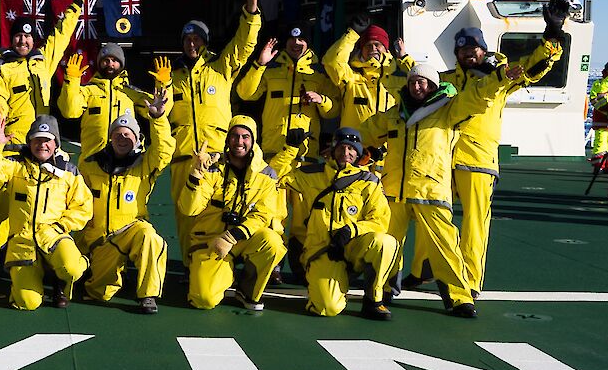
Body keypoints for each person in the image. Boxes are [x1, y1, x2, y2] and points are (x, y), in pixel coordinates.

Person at [361, 58, 507, 318]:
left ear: (433, 85)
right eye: (414, 82)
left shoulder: (448, 110)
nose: (418, 86)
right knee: (388, 243)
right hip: (394, 190)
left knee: (444, 246)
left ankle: (459, 297)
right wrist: (342, 141)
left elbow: (476, 96)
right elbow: (368, 130)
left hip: (431, 191)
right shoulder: (396, 114)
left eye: (423, 82)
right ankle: (381, 289)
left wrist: (499, 77)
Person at [438, 19, 564, 295]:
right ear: (456, 54)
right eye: (462, 50)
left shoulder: (501, 77)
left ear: (483, 50)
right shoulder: (446, 80)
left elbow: (533, 68)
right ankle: (434, 267)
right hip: (443, 159)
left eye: (474, 48)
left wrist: (552, 37)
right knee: (434, 218)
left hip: (478, 160)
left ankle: (469, 280)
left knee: (474, 224)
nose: (468, 53)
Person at [0, 0, 85, 268]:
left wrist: (75, 6)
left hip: (44, 148)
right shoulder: (1, 68)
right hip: (15, 148)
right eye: (18, 35)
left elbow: (61, 36)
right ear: (11, 39)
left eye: (27, 36)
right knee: (2, 209)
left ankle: (45, 262)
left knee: (45, 208)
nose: (23, 40)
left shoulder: (43, 61)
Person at [159, 0, 262, 238]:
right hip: (183, 157)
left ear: (205, 41)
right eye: (187, 39)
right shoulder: (171, 75)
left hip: (217, 155)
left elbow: (244, 44)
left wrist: (251, 7)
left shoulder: (220, 67)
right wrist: (162, 87)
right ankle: (188, 269)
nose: (192, 44)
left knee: (218, 210)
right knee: (185, 215)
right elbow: (160, 110)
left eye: (197, 39)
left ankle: (218, 265)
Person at [271, 127, 395, 320]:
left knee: (385, 242)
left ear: (359, 152)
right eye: (341, 148)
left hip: (353, 247)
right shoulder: (311, 174)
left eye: (351, 149)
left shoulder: (369, 182)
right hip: (323, 251)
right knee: (326, 308)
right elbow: (272, 177)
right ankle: (331, 281)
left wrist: (351, 230)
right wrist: (290, 149)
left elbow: (379, 221)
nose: (346, 153)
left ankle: (373, 300)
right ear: (332, 150)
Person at [0, 115, 94, 310]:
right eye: (37, 139)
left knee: (72, 268)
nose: (42, 145)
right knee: (27, 302)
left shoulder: (68, 172)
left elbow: (83, 206)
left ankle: (62, 282)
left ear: (56, 143)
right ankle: (38, 275)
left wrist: (61, 226)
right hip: (22, 241)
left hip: (53, 237)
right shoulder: (16, 166)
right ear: (30, 142)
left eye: (47, 140)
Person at [76, 89, 174, 313]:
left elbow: (164, 150)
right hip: (99, 239)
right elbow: (76, 201)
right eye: (118, 134)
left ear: (138, 139)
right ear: (110, 137)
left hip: (130, 229)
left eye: (128, 135)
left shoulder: (144, 164)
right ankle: (111, 270)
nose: (122, 139)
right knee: (100, 293)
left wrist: (158, 119)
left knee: (151, 237)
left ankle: (148, 294)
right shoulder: (90, 165)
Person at [176, 116, 287, 311]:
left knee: (273, 243)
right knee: (204, 300)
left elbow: (262, 215)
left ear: (253, 141)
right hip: (210, 240)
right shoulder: (211, 166)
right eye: (234, 136)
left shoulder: (266, 174)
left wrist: (232, 236)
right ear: (227, 139)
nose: (239, 142)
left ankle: (247, 290)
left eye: (245, 136)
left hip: (242, 238)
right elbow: (189, 209)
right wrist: (195, 175)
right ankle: (224, 273)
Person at [235, 24, 336, 158]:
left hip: (305, 153)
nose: (296, 43)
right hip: (273, 149)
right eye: (291, 39)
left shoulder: (318, 73)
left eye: (301, 39)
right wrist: (259, 64)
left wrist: (322, 100)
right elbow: (245, 94)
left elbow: (333, 111)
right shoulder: (271, 70)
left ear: (308, 43)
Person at [58, 45, 151, 156]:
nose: (110, 64)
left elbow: (158, 111)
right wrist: (71, 80)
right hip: (92, 160)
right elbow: (69, 111)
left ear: (121, 64)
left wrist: (164, 85)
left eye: (114, 60)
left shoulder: (130, 93)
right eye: (106, 60)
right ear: (99, 63)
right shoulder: (88, 91)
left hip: (125, 160)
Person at [323, 22, 398, 149]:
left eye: (377, 45)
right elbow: (332, 62)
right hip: (352, 153)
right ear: (361, 50)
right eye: (368, 45)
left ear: (386, 49)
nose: (373, 49)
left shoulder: (398, 80)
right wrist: (353, 33)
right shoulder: (350, 78)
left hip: (388, 156)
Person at [587, 60, 608, 170]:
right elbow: (594, 100)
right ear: (605, 71)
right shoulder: (598, 83)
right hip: (602, 118)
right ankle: (598, 165)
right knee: (601, 142)